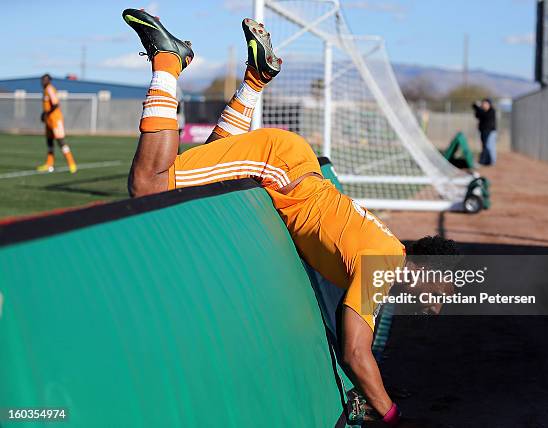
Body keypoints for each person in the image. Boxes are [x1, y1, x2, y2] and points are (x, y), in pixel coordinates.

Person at [123, 9, 454, 425]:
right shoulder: (383, 266)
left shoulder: (388, 252)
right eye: (441, 291)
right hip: (279, 166)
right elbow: (354, 352)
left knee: (200, 181)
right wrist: (390, 414)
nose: (437, 306)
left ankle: (256, 80)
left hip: (291, 166)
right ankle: (168, 60)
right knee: (149, 184)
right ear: (425, 269)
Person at [37, 74, 78, 173]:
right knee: (49, 141)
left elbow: (55, 104)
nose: (43, 82)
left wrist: (46, 113)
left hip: (55, 119)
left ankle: (72, 164)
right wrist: (44, 115)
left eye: (45, 80)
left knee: (60, 141)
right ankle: (49, 164)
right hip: (49, 120)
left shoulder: (50, 89)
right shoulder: (45, 90)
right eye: (42, 80)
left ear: (49, 81)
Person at [472, 98, 496, 166]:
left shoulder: (491, 111)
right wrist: (477, 108)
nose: (484, 105)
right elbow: (477, 115)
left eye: (485, 103)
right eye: (483, 103)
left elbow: (485, 115)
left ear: (489, 104)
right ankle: (487, 161)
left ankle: (488, 161)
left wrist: (478, 107)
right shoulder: (482, 111)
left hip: (489, 131)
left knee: (488, 146)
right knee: (485, 146)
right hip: (483, 130)